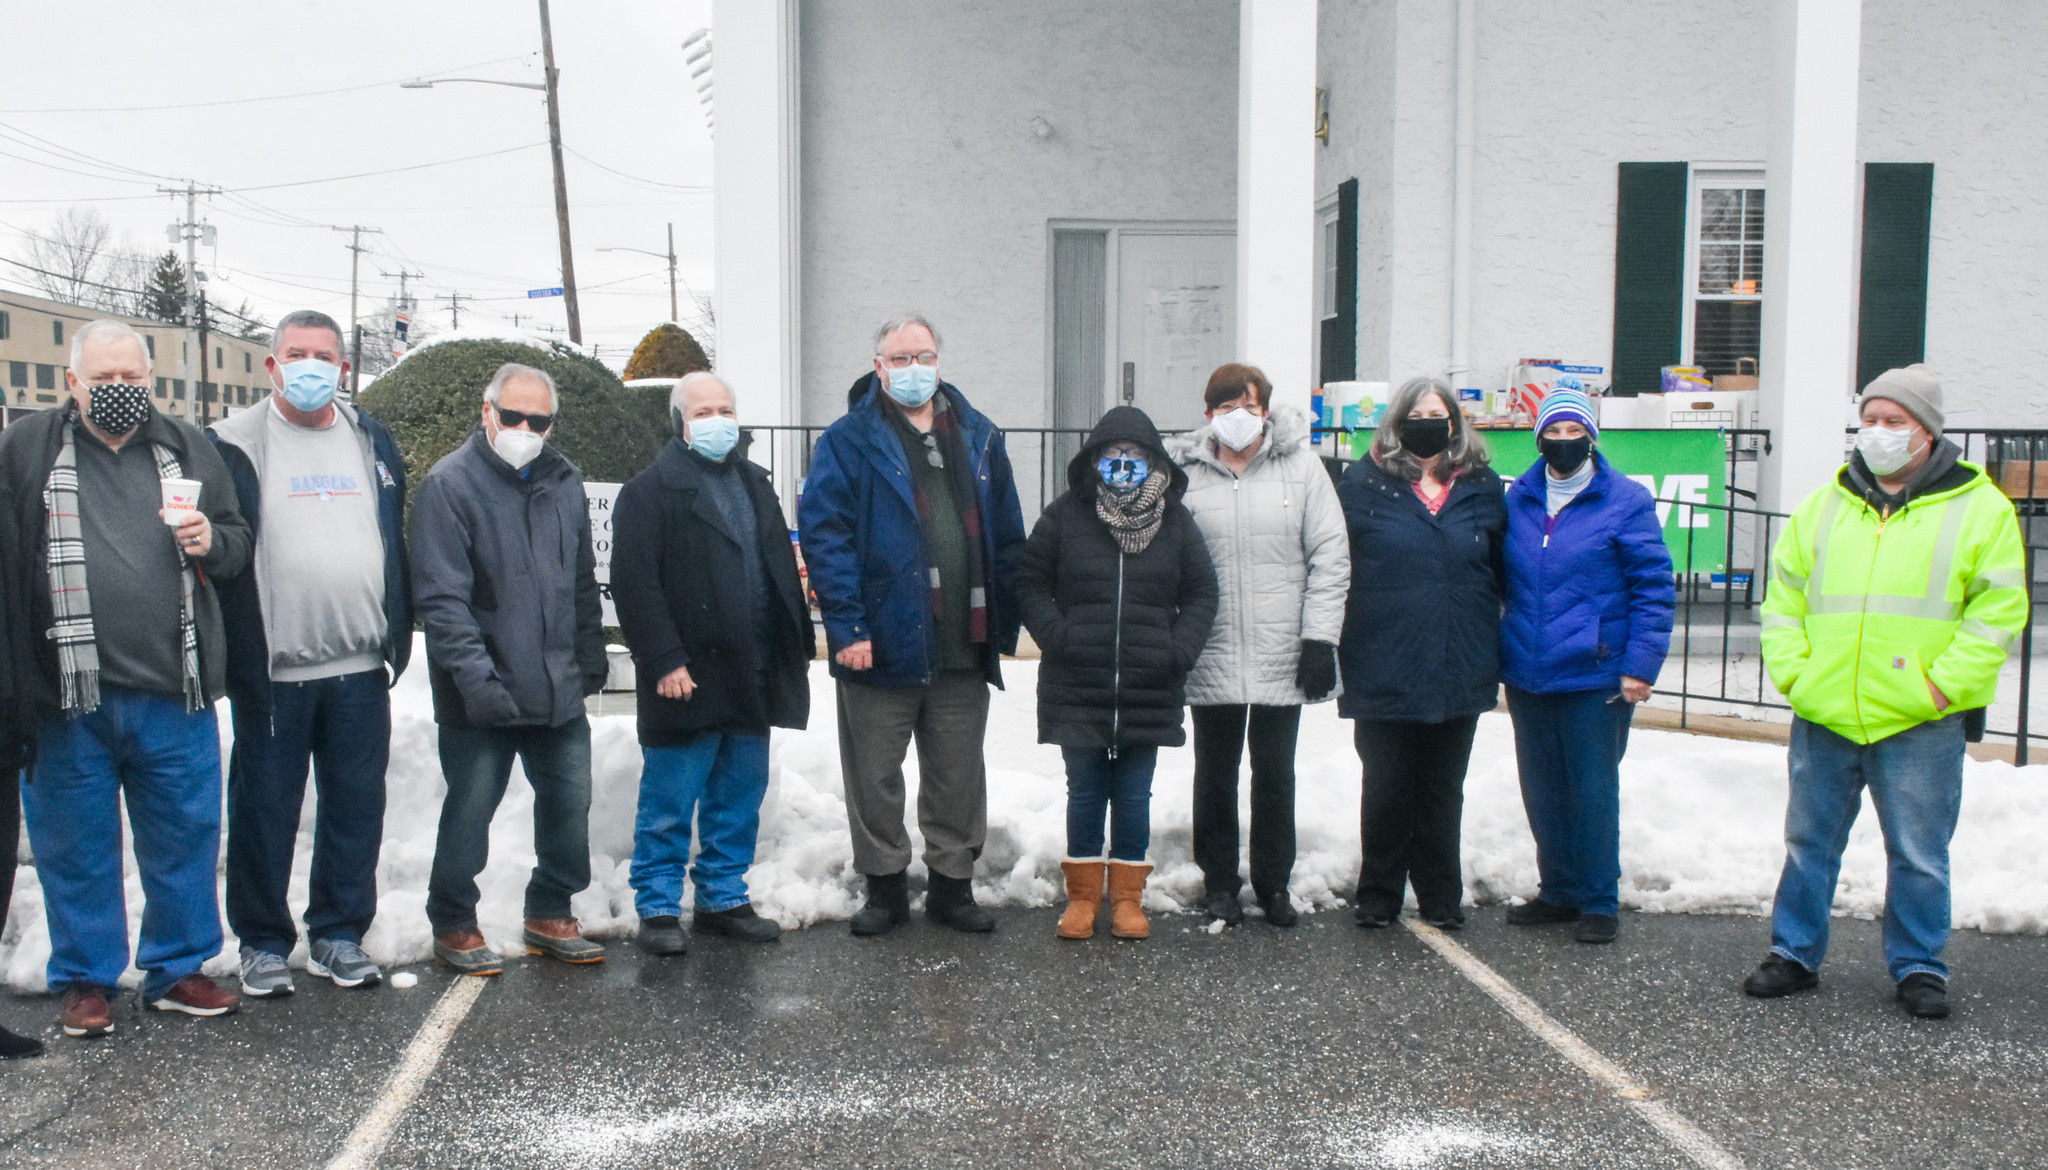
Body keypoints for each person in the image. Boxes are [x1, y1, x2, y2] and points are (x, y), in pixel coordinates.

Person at [1745, 366, 2025, 1020]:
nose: (1878, 432)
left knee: (1919, 854)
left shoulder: (1982, 507)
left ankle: (1920, 966)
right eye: (1870, 419)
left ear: (1927, 432)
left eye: (1894, 421)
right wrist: (1797, 675)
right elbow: (1783, 599)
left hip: (1920, 719)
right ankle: (1793, 953)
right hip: (1827, 710)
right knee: (1809, 843)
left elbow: (1997, 613)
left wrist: (1940, 687)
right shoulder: (1825, 505)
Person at [0, 319, 252, 1035]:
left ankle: (178, 967)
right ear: (71, 383)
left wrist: (214, 540)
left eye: (132, 378)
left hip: (177, 690)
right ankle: (87, 976)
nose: (119, 391)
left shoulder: (186, 444)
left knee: (185, 835)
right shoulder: (27, 449)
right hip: (66, 695)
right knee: (73, 844)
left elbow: (237, 539)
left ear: (153, 379)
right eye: (103, 379)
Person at [797, 314, 1027, 936]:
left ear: (939, 361)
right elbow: (826, 537)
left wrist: (1005, 621)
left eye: (922, 356)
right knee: (874, 774)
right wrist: (847, 629)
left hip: (961, 642)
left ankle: (954, 888)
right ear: (878, 367)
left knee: (957, 772)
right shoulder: (847, 440)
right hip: (881, 640)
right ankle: (886, 888)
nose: (912, 369)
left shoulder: (980, 436)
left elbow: (1007, 535)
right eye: (898, 359)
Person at [209, 310, 410, 997]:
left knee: (356, 809)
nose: (311, 365)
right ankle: (263, 944)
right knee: (265, 810)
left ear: (345, 368)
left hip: (358, 667)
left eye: (325, 355)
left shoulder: (369, 439)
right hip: (274, 669)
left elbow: (390, 532)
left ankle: (338, 934)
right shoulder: (234, 443)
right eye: (296, 353)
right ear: (272, 365)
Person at [412, 363, 609, 974]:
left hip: (556, 684)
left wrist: (589, 650)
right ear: (487, 411)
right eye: (514, 415)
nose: (525, 428)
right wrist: (476, 681)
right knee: (470, 810)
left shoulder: (564, 480)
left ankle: (550, 908)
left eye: (539, 420)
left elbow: (579, 579)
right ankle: (453, 921)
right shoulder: (449, 486)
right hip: (482, 691)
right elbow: (443, 599)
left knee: (568, 805)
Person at [612, 372, 813, 956]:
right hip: (686, 676)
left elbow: (776, 568)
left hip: (752, 667)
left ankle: (724, 898)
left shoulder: (755, 484)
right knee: (671, 801)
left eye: (725, 408)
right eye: (703, 411)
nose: (717, 419)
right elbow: (635, 586)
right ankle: (656, 905)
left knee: (738, 794)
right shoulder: (649, 492)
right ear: (680, 422)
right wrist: (664, 660)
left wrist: (791, 643)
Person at [1017, 406, 1217, 941]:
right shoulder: (1065, 515)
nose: (1122, 463)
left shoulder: (1176, 520)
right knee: (1083, 791)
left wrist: (1177, 651)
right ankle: (1082, 898)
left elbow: (1202, 593)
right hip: (1077, 682)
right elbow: (1030, 583)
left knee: (1133, 795)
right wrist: (1059, 638)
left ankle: (1128, 899)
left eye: (1134, 455)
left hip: (1149, 683)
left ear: (1153, 461)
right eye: (1112, 454)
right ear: (1094, 459)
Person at [1168, 363, 1349, 927]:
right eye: (1224, 409)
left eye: (1247, 406)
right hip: (1211, 648)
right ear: (1208, 415)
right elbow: (1166, 561)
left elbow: (1330, 557)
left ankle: (1274, 884)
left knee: (1275, 773)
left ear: (1266, 410)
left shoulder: (1302, 469)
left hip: (1282, 651)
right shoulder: (1184, 476)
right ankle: (1219, 882)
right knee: (1214, 773)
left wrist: (1319, 638)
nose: (1237, 418)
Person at [1499, 384, 1674, 945]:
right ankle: (1558, 891)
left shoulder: (1626, 500)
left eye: (1575, 431)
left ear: (1592, 437)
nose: (1564, 441)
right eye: (1553, 432)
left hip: (1595, 671)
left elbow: (1653, 587)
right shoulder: (1519, 498)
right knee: (1542, 787)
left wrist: (1641, 664)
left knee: (1592, 789)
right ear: (1538, 437)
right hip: (1529, 670)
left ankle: (1599, 898)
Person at [1337, 377, 1506, 931]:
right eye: (1418, 413)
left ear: (1455, 423)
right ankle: (1379, 893)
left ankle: (1439, 894)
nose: (1429, 422)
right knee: (1385, 785)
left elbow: (1503, 568)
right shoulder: (1362, 484)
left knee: (1441, 788)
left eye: (1439, 414)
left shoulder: (1481, 487)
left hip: (1459, 658)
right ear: (1397, 421)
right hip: (1383, 657)